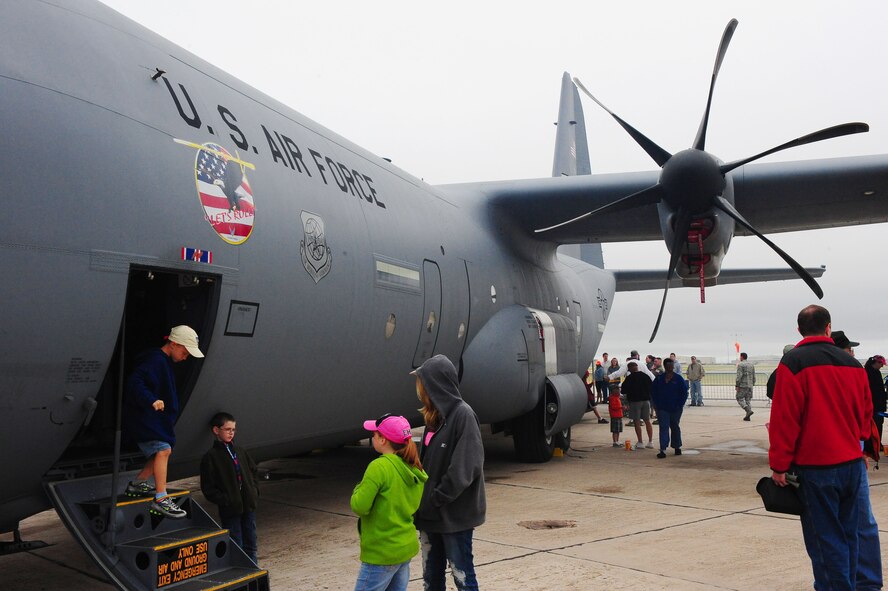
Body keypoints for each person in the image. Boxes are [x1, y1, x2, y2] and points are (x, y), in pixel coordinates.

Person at [770, 305, 880, 590]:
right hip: (852, 464)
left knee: (825, 538)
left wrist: (780, 466)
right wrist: (861, 449)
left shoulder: (793, 362)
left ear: (799, 330)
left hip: (817, 467)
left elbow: (785, 419)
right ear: (828, 327)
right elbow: (865, 414)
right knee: (851, 533)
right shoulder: (853, 365)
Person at [413, 355, 485, 591]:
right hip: (429, 516)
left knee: (462, 577)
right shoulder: (434, 418)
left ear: (435, 384)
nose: (419, 388)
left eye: (422, 382)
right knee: (431, 579)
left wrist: (436, 497)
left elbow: (466, 466)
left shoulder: (463, 415)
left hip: (453, 517)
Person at [123, 325, 204, 519]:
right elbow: (135, 382)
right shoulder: (155, 360)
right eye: (185, 351)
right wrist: (150, 399)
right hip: (146, 417)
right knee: (163, 450)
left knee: (160, 450)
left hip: (153, 418)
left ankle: (138, 483)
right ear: (174, 344)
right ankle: (160, 498)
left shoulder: (161, 360)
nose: (186, 357)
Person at [350, 414, 428, 591]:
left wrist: (358, 488)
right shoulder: (413, 466)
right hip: (403, 547)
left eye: (375, 434)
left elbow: (359, 506)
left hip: (382, 551)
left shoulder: (379, 467)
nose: (372, 437)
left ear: (383, 440)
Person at [200, 412, 260, 564]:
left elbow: (253, 471)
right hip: (230, 509)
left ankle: (253, 571)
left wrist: (253, 492)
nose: (231, 433)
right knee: (235, 544)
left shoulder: (240, 451)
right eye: (227, 429)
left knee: (251, 543)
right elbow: (208, 488)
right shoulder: (211, 457)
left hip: (248, 506)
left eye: (233, 429)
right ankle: (239, 573)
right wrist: (226, 500)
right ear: (216, 430)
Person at [650, 358, 687, 458]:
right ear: (665, 366)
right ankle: (662, 449)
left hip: (676, 409)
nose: (670, 367)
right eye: (668, 365)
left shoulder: (678, 379)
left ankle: (677, 446)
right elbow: (653, 392)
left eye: (672, 365)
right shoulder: (659, 379)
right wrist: (656, 405)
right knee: (663, 427)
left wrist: (680, 405)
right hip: (662, 408)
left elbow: (684, 393)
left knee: (675, 426)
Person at [621, 361, 654, 449]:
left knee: (637, 422)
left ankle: (640, 442)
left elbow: (623, 390)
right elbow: (651, 387)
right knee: (647, 421)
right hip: (646, 401)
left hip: (635, 402)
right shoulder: (645, 376)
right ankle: (650, 442)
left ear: (630, 369)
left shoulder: (629, 378)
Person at [735, 352, 756, 421]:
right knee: (748, 400)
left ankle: (747, 410)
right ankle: (748, 416)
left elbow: (739, 376)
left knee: (739, 398)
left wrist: (737, 385)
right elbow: (754, 376)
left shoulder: (740, 365)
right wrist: (753, 383)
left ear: (742, 357)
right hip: (750, 385)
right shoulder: (751, 365)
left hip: (743, 385)